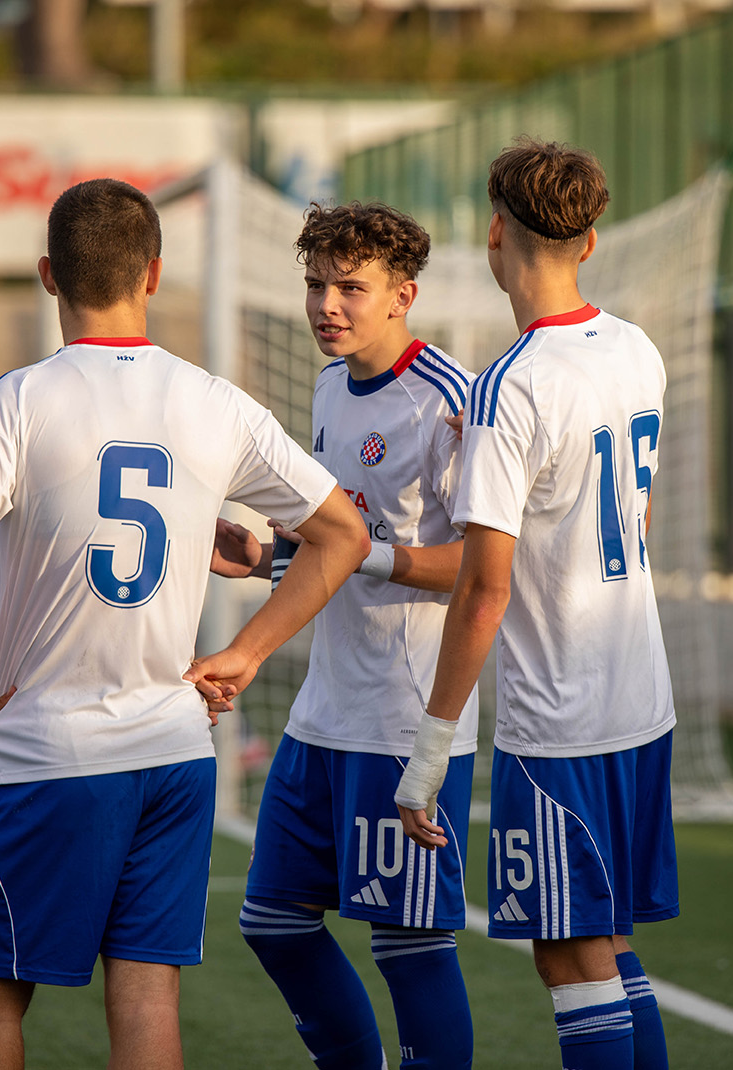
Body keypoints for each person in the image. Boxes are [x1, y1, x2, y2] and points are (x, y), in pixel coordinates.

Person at [0, 177, 368, 1070]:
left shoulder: (21, 399)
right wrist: (241, 655)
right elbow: (340, 534)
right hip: (174, 749)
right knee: (147, 989)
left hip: (48, 751)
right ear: (152, 276)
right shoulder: (215, 401)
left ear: (48, 275)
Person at [391, 139, 678, 1070]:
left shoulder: (509, 386)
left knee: (567, 952)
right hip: (642, 699)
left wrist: (430, 752)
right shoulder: (634, 348)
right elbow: (626, 510)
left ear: (492, 235)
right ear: (590, 241)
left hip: (560, 718)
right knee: (614, 943)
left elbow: (483, 586)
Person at [198, 202, 480, 1070]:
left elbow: (483, 565)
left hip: (405, 717)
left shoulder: (448, 401)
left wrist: (358, 557)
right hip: (325, 714)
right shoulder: (326, 385)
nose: (327, 304)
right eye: (316, 284)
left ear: (404, 294)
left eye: (350, 287)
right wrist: (267, 560)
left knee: (408, 943)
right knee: (273, 921)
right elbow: (343, 542)